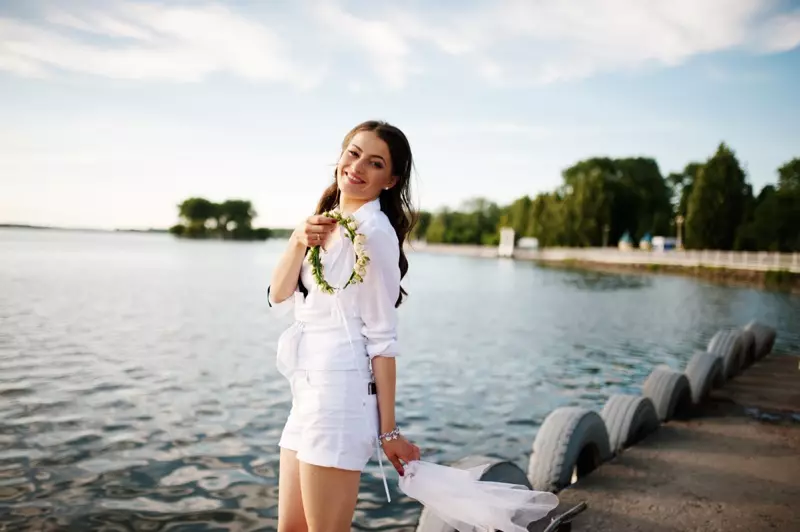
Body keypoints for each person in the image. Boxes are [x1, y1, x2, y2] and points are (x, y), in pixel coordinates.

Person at [267, 120, 421, 532]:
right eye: (353, 153)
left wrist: (388, 432)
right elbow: (278, 296)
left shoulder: (375, 232)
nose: (357, 167)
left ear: (390, 180)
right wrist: (298, 239)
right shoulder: (323, 224)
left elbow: (382, 340)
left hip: (340, 395)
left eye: (375, 163)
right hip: (306, 391)